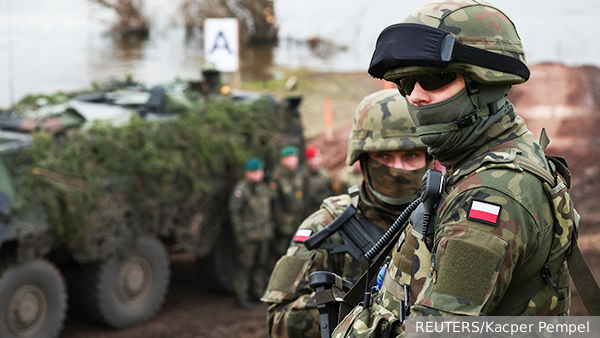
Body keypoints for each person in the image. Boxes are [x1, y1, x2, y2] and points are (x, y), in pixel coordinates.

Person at [333, 1, 577, 336]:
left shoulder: (491, 194)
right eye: (406, 84)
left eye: (434, 78)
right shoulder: (481, 159)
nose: (416, 97)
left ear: (487, 81)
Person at [261, 89, 431, 338]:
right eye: (383, 156)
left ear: (429, 159)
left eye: (411, 156)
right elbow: (278, 319)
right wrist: (355, 307)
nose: (397, 169)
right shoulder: (326, 226)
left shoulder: (449, 220)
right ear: (362, 161)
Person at [229, 157, 275, 310]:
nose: (259, 174)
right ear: (248, 173)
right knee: (244, 266)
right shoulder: (241, 190)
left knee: (261, 265)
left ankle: (258, 292)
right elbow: (235, 214)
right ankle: (241, 296)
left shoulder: (263, 188)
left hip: (263, 233)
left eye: (260, 171)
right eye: (255, 172)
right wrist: (239, 236)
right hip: (248, 236)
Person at [271, 145, 308, 261]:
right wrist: (280, 222)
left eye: (295, 157)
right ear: (283, 160)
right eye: (290, 158)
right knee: (284, 254)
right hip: (284, 226)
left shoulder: (301, 174)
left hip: (300, 221)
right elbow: (275, 204)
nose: (294, 160)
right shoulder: (277, 178)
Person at [303, 145, 335, 214]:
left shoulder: (325, 174)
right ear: (308, 161)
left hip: (327, 212)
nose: (315, 161)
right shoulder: (303, 177)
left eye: (317, 157)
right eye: (312, 159)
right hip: (311, 214)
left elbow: (332, 193)